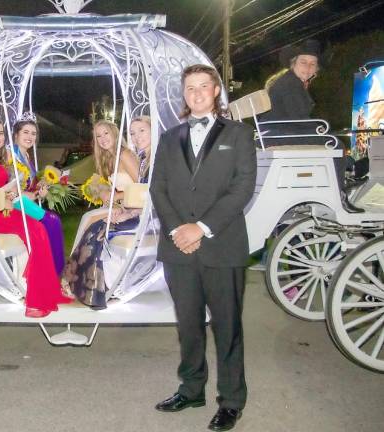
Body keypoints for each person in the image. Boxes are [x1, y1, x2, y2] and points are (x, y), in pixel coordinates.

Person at [150, 64, 256, 431]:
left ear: (216, 92)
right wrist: (180, 229)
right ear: (184, 94)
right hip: (178, 247)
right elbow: (158, 188)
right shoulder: (169, 138)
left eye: (203, 87)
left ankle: (231, 400)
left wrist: (202, 227)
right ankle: (191, 388)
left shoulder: (239, 135)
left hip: (222, 245)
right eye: (189, 88)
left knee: (227, 327)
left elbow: (242, 187)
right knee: (189, 325)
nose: (196, 93)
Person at [0, 116, 72, 318]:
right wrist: (6, 198)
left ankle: (48, 287)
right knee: (39, 228)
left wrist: (9, 194)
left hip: (5, 208)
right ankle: (38, 296)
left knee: (40, 229)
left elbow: (0, 187)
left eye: (0, 133)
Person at [260, 39, 363, 213]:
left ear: (316, 68)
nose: (308, 67)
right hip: (281, 132)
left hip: (276, 131)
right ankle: (339, 194)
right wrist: (324, 130)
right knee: (336, 144)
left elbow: (297, 118)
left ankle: (345, 174)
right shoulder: (291, 84)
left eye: (312, 63)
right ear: (294, 64)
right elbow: (298, 119)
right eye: (303, 62)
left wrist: (322, 130)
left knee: (329, 138)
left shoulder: (290, 81)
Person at [64, 119, 139, 309]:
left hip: (136, 211)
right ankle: (72, 275)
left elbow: (141, 187)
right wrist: (105, 192)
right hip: (123, 206)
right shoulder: (109, 158)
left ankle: (74, 277)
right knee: (87, 218)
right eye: (98, 136)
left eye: (106, 133)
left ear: (114, 133)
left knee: (90, 221)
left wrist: (115, 196)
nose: (102, 138)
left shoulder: (124, 154)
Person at [11, 113, 66, 274]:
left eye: (33, 133)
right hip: (15, 203)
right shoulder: (11, 155)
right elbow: (12, 187)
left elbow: (30, 189)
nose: (30, 136)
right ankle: (54, 272)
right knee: (52, 221)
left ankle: (53, 270)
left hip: (26, 201)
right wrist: (31, 194)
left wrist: (39, 191)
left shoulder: (26, 156)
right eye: (26, 132)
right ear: (16, 135)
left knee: (53, 221)